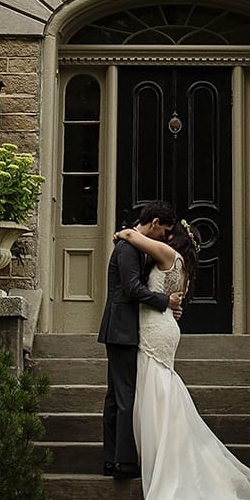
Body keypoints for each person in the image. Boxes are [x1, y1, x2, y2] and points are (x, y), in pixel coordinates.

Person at [114, 213, 250, 500]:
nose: (163, 237)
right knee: (161, 388)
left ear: (176, 240)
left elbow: (132, 237)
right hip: (162, 325)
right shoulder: (181, 265)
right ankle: (161, 454)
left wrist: (120, 234)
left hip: (155, 328)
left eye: (169, 234)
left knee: (157, 388)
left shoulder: (167, 254)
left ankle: (164, 460)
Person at [99, 202, 180, 478]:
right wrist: (164, 301)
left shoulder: (133, 244)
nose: (165, 238)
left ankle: (111, 459)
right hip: (121, 328)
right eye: (164, 231)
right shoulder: (128, 248)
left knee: (115, 395)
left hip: (123, 328)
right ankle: (123, 462)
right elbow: (132, 289)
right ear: (155, 222)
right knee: (124, 396)